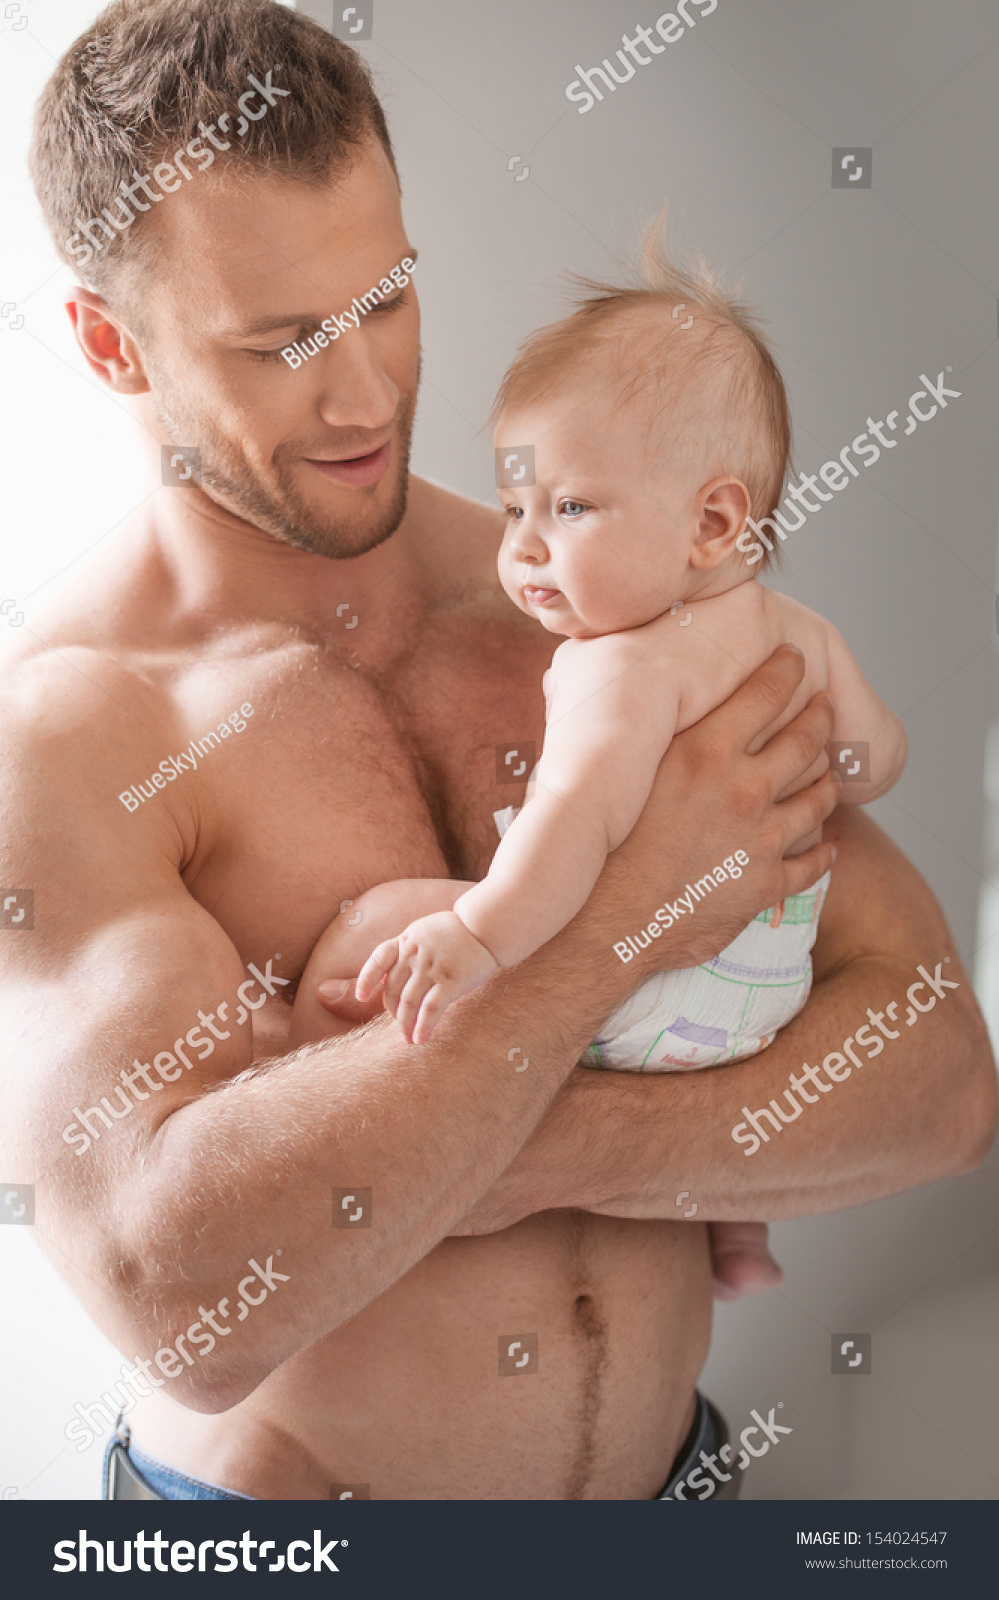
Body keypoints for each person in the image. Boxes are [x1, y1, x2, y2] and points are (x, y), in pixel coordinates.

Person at [4, 0, 992, 1501]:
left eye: (384, 298)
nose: (365, 395)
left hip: (684, 1507)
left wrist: (486, 1150)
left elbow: (933, 1079)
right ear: (105, 342)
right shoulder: (69, 734)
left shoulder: (594, 604)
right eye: (279, 345)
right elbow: (177, 1294)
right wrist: (618, 917)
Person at [318, 248, 906, 1051]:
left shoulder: (622, 667)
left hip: (658, 991)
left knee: (378, 923)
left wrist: (478, 939)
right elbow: (871, 768)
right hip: (768, 986)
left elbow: (574, 818)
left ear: (712, 525)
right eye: (512, 510)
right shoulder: (803, 633)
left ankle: (293, 1035)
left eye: (568, 506)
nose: (524, 547)